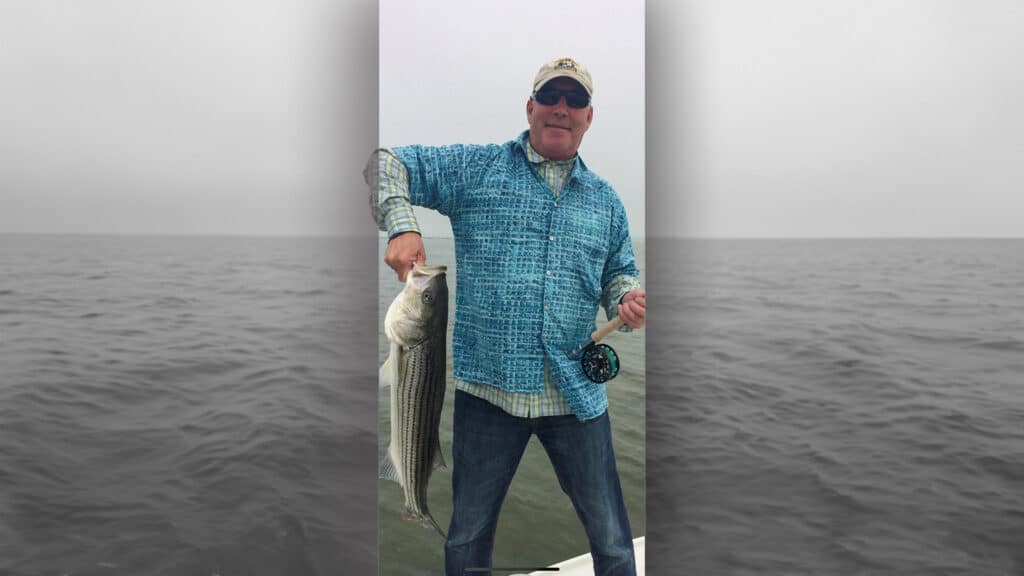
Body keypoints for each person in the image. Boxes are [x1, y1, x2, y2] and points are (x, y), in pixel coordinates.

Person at [366, 56, 646, 576]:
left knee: (611, 539)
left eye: (575, 100)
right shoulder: (478, 169)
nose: (561, 109)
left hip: (576, 397)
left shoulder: (607, 202)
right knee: (468, 541)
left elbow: (619, 271)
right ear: (530, 107)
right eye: (551, 97)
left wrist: (626, 298)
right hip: (487, 395)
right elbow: (386, 161)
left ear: (589, 116)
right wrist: (401, 223)